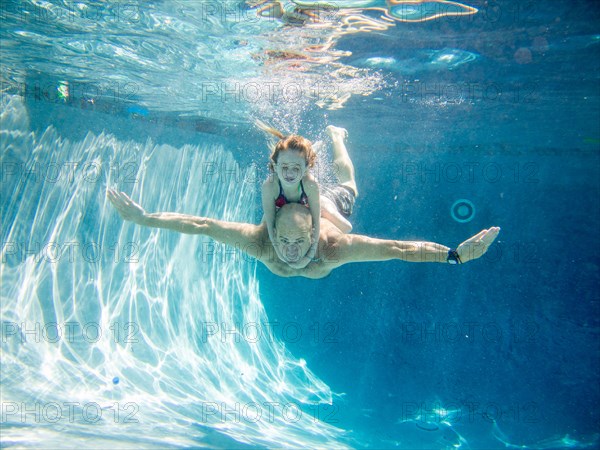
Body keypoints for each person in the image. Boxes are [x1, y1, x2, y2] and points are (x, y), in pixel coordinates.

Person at [107, 189, 500, 279]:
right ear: (271, 232)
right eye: (285, 241)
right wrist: (144, 219)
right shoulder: (260, 241)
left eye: (300, 242)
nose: (292, 252)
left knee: (348, 185)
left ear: (313, 234)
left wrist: (454, 255)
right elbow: (203, 225)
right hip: (302, 206)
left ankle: (338, 137)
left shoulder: (334, 246)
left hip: (326, 204)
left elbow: (397, 248)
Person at [258, 122, 356, 269]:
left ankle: (337, 136)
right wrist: (279, 252)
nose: (289, 174)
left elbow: (316, 225)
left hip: (320, 200)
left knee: (348, 186)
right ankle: (311, 150)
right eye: (284, 167)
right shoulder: (269, 186)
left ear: (306, 169)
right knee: (264, 225)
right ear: (275, 165)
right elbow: (270, 227)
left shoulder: (310, 183)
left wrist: (309, 256)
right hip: (301, 202)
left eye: (296, 168)